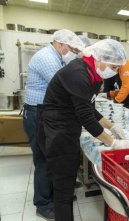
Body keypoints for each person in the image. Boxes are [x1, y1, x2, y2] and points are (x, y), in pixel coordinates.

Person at [37, 39, 129, 221]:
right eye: (113, 66)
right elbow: (85, 116)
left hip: (67, 129)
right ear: (100, 57)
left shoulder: (94, 75)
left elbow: (90, 108)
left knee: (66, 183)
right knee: (63, 192)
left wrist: (111, 126)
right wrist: (113, 143)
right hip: (56, 131)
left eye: (117, 68)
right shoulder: (78, 73)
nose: (114, 71)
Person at [22, 29, 84, 220]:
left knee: (52, 156)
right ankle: (43, 203)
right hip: (37, 113)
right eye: (71, 48)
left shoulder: (56, 57)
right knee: (43, 158)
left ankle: (56, 195)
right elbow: (65, 87)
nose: (73, 52)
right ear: (59, 44)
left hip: (44, 112)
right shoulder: (47, 58)